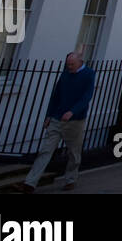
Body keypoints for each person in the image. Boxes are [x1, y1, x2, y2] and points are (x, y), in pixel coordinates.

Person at [15, 51, 95, 193]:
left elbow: (87, 96)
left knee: (73, 152)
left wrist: (73, 111)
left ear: (80, 62)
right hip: (57, 118)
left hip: (75, 121)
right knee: (46, 150)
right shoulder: (65, 73)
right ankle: (30, 183)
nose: (69, 67)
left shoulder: (89, 74)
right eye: (68, 64)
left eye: (72, 64)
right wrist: (49, 115)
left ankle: (71, 179)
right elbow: (56, 95)